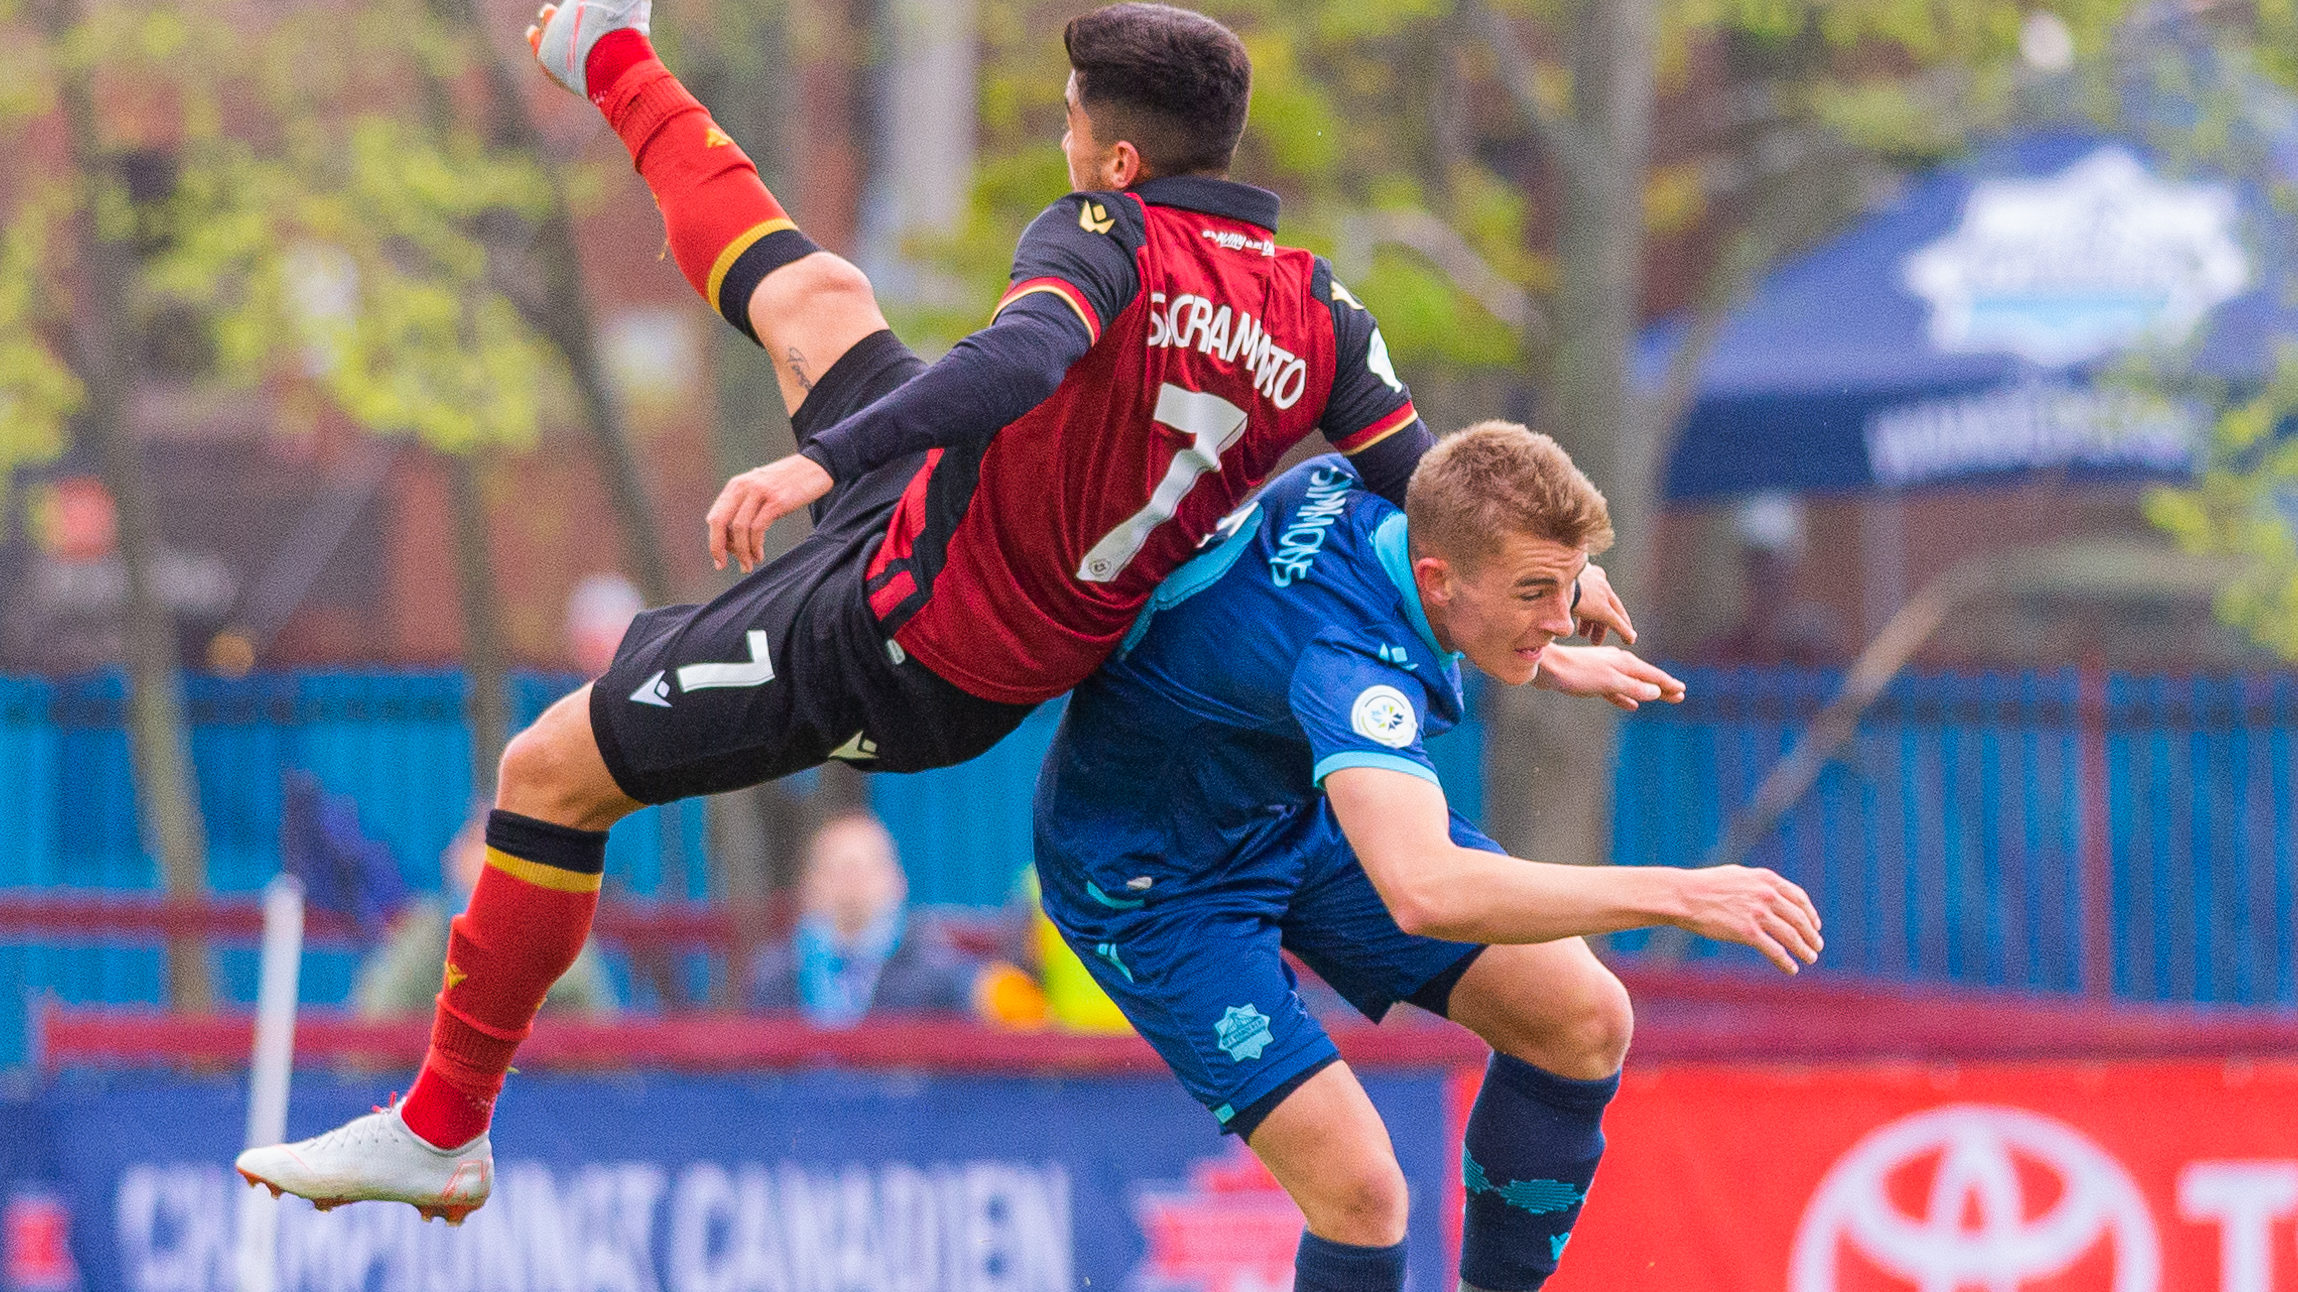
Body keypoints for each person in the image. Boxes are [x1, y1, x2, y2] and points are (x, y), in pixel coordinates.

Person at [239, 1, 1657, 1225]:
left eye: (1064, 121)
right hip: (956, 513)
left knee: (546, 774)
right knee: (816, 296)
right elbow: (1428, 489)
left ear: (1116, 155)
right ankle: (611, 50)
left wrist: (819, 457)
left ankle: (439, 1131)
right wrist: (1559, 597)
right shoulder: (1316, 310)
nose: (1057, 141)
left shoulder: (1100, 233)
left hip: (905, 644)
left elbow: (1023, 353)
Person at [1032, 423, 1823, 1292]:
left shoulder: (1382, 483)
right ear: (1440, 581)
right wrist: (1680, 894)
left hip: (1280, 801)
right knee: (1365, 1195)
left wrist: (1539, 636)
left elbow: (1470, 497)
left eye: (1565, 588)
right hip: (1155, 883)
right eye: (1535, 592)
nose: (1562, 617)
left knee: (1582, 1017)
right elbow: (1425, 890)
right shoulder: (1350, 671)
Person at [355, 809, 616, 1020]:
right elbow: (371, 1034)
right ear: (452, 858)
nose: (488, 859)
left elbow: (600, 1043)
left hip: (548, 1084)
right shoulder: (427, 929)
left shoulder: (558, 928)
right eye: (477, 842)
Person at [745, 813, 986, 1025]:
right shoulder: (773, 974)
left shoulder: (939, 973)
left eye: (867, 865)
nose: (853, 881)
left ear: (899, 882)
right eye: (837, 867)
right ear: (808, 885)